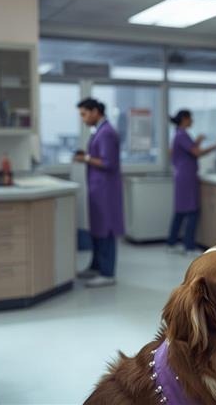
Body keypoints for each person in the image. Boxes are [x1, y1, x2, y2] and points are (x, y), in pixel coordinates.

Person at [74, 98, 124, 288]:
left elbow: (108, 163)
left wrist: (85, 158)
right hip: (98, 188)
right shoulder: (100, 132)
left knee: (106, 230)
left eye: (84, 114)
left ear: (96, 111)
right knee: (97, 230)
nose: (83, 119)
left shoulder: (107, 133)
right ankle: (96, 267)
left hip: (106, 191)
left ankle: (107, 273)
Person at [167, 109, 216, 257]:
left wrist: (197, 141)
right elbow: (197, 153)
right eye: (191, 118)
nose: (192, 121)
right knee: (192, 211)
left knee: (180, 211)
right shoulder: (182, 134)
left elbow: (186, 150)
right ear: (185, 119)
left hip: (182, 176)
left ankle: (171, 243)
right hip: (187, 177)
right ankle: (189, 247)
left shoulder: (179, 134)